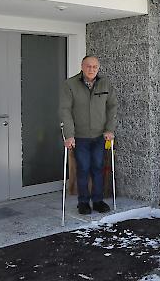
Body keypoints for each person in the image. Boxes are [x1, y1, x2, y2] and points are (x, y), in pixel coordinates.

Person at [60, 55, 118, 215]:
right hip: (80, 136)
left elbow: (112, 107)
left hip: (100, 135)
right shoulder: (70, 84)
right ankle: (83, 202)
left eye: (94, 67)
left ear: (98, 68)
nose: (91, 69)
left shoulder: (105, 83)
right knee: (83, 168)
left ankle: (98, 201)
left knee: (98, 168)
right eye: (88, 66)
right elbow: (65, 110)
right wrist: (69, 135)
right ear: (82, 66)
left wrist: (110, 129)